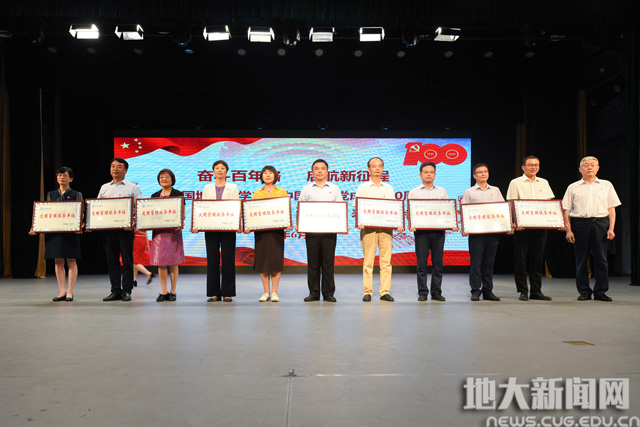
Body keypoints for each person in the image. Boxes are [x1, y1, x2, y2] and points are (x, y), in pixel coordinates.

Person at [562, 156, 621, 302]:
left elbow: (611, 209)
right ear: (580, 169)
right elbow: (566, 210)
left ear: (598, 168)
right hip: (580, 224)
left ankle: (600, 291)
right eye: (586, 165)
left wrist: (611, 228)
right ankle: (584, 291)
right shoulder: (573, 187)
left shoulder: (606, 185)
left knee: (601, 259)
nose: (589, 167)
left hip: (601, 224)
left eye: (593, 165)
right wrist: (568, 230)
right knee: (581, 259)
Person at [506, 155, 555, 301]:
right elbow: (511, 204)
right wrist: (513, 222)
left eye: (536, 165)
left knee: (538, 259)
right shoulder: (515, 182)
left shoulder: (544, 182)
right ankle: (523, 291)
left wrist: (551, 221)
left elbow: (549, 203)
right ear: (523, 167)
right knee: (520, 260)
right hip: (522, 227)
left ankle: (536, 290)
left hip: (540, 226)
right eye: (530, 165)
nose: (533, 167)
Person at [29, 166, 82, 302]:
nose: (61, 177)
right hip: (54, 232)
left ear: (71, 179)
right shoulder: (51, 194)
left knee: (71, 260)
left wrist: (81, 224)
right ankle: (62, 291)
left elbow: (81, 213)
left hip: (70, 232)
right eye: (59, 175)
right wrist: (35, 227)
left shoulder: (76, 194)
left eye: (64, 175)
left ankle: (70, 291)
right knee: (58, 261)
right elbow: (45, 213)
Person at [408, 161, 458, 302]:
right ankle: (422, 292)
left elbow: (448, 210)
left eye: (431, 172)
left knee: (438, 263)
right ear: (420, 174)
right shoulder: (414, 192)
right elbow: (410, 211)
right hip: (421, 233)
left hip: (438, 232)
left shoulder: (442, 191)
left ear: (435, 174)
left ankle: (436, 292)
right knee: (421, 264)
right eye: (426, 172)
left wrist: (452, 224)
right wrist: (411, 224)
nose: (429, 174)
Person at [355, 157, 403, 302]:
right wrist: (359, 222)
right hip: (368, 229)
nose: (377, 168)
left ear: (383, 169)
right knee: (368, 261)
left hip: (386, 230)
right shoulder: (362, 187)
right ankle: (367, 292)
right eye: (374, 166)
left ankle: (384, 292)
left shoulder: (389, 188)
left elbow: (393, 209)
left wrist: (398, 223)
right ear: (368, 169)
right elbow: (358, 208)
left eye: (380, 166)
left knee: (386, 261)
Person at [461, 163, 510, 302]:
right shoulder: (469, 192)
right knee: (476, 263)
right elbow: (464, 210)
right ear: (474, 175)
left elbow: (503, 209)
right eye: (480, 172)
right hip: (476, 233)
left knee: (489, 263)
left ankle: (488, 291)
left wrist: (507, 225)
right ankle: (475, 290)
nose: (483, 174)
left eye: (485, 171)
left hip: (492, 232)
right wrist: (465, 228)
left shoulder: (495, 190)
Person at [97, 157, 142, 302]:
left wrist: (134, 222)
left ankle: (127, 290)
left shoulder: (133, 188)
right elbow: (97, 207)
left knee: (127, 260)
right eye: (113, 166)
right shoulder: (104, 187)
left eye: (119, 166)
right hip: (108, 229)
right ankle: (115, 290)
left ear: (126, 170)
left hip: (126, 230)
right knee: (112, 261)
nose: (115, 169)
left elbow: (139, 208)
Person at [299, 159, 343, 303]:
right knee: (313, 263)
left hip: (330, 232)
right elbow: (301, 208)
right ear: (312, 172)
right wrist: (300, 225)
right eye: (316, 168)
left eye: (322, 168)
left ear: (327, 171)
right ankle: (314, 292)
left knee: (328, 263)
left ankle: (328, 293)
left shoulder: (334, 188)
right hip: (311, 231)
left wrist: (343, 225)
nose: (319, 171)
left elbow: (340, 208)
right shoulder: (306, 189)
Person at [247, 165, 292, 302]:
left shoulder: (282, 192)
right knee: (263, 262)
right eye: (265, 173)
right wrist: (249, 225)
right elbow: (252, 213)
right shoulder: (256, 193)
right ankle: (266, 292)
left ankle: (274, 292)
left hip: (277, 233)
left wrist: (288, 223)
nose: (268, 175)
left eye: (271, 173)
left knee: (275, 262)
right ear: (261, 176)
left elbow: (286, 211)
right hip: (261, 233)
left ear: (275, 175)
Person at [201, 160, 240, 303]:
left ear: (226, 171)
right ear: (213, 171)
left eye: (222, 168)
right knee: (212, 260)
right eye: (217, 168)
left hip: (228, 227)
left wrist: (237, 223)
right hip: (211, 227)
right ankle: (214, 293)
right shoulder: (207, 187)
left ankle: (228, 293)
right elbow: (203, 207)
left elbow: (236, 206)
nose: (219, 170)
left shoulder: (233, 187)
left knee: (228, 259)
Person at [150, 168, 185, 302]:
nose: (164, 179)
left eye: (166, 177)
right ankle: (164, 291)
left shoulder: (178, 194)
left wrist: (180, 221)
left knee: (173, 262)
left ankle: (173, 291)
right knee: (161, 262)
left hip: (173, 232)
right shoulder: (154, 195)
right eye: (161, 177)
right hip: (159, 232)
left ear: (172, 179)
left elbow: (182, 213)